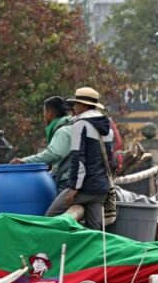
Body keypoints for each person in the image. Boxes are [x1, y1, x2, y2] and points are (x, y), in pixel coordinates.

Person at [45, 87, 115, 230]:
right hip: (101, 189)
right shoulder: (107, 128)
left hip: (85, 188)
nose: (74, 108)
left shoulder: (80, 125)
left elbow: (78, 159)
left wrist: (73, 188)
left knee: (50, 218)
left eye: (76, 104)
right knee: (94, 229)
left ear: (83, 106)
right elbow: (109, 160)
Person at [11, 96, 74, 190]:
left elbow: (53, 154)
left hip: (66, 182)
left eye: (44, 112)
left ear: (50, 114)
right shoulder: (70, 126)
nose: (43, 116)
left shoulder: (62, 131)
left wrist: (25, 161)